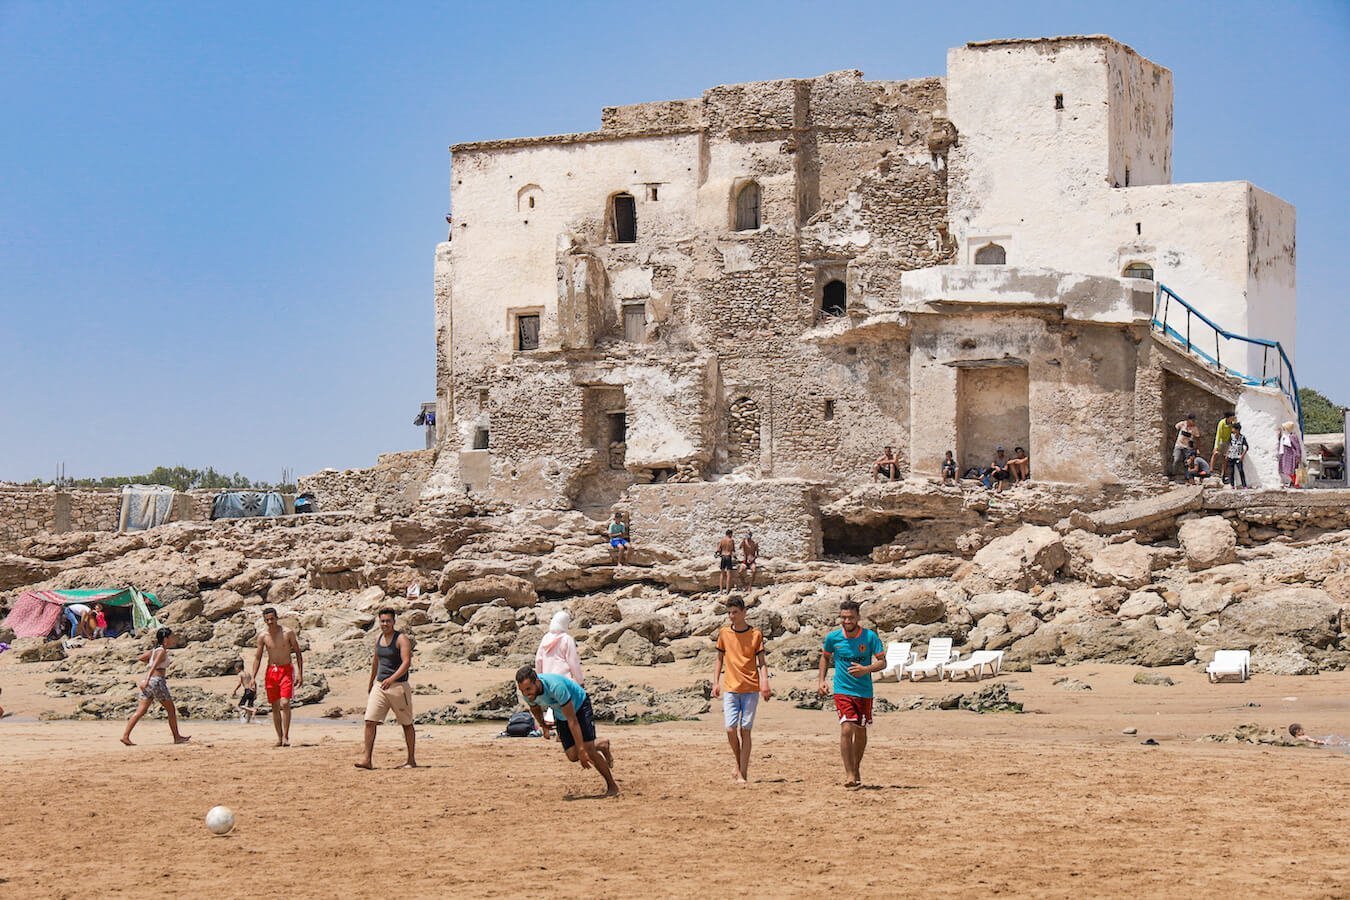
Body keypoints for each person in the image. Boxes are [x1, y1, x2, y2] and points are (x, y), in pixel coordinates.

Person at [515, 665, 619, 797]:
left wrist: (582, 749)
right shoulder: (528, 694)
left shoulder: (556, 687)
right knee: (572, 756)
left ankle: (612, 785)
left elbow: (573, 720)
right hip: (561, 714)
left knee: (588, 750)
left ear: (537, 681)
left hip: (580, 707)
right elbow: (534, 707)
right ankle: (602, 744)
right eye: (522, 690)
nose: (526, 693)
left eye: (528, 689)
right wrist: (542, 724)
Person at [817, 600, 886, 787]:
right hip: (842, 690)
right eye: (843, 617)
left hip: (863, 691)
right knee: (847, 728)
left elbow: (882, 662)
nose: (847, 621)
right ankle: (849, 774)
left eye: (850, 618)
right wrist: (822, 681)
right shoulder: (833, 638)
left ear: (858, 618)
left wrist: (866, 669)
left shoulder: (870, 637)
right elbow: (825, 657)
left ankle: (856, 768)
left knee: (861, 731)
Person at [711, 597, 771, 783]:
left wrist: (765, 683)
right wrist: (716, 682)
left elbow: (761, 663)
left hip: (751, 688)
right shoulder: (724, 633)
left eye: (735, 612)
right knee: (730, 729)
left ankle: (743, 773)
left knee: (745, 730)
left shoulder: (755, 634)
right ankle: (738, 764)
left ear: (744, 612)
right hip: (730, 687)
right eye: (729, 612)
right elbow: (719, 659)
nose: (732, 616)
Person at [356, 608, 417, 769]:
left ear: (393, 622)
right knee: (370, 720)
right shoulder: (378, 638)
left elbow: (406, 663)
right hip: (380, 686)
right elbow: (376, 662)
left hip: (398, 687)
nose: (385, 624)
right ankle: (367, 759)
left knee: (406, 723)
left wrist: (392, 679)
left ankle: (411, 759)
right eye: (382, 621)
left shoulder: (401, 639)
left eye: (388, 621)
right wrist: (371, 683)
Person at [121, 627, 190, 746]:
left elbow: (142, 658)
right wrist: (147, 678)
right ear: (166, 638)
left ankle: (125, 736)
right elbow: (154, 665)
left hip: (150, 682)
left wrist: (148, 676)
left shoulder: (154, 651)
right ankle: (177, 737)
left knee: (140, 711)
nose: (173, 638)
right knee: (171, 710)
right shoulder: (162, 651)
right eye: (171, 636)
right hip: (157, 681)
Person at [249, 607, 304, 747]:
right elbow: (258, 657)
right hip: (271, 671)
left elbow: (298, 653)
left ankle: (286, 736)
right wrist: (253, 678)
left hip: (286, 670)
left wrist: (299, 673)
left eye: (272, 619)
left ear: (277, 618)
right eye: (267, 620)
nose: (270, 622)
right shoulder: (263, 636)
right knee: (274, 706)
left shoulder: (288, 633)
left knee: (285, 703)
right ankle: (279, 738)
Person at [535, 609, 584, 734]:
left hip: (547, 677)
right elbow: (573, 662)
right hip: (563, 678)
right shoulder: (567, 639)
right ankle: (562, 733)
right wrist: (579, 681)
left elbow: (538, 660)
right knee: (566, 706)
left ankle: (551, 729)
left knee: (553, 704)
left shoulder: (545, 638)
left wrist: (539, 677)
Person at [1211, 412, 1236, 481]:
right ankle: (1211, 471)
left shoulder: (1232, 424)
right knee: (1215, 454)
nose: (1233, 418)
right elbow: (1218, 435)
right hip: (1221, 441)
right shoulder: (1222, 423)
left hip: (1227, 442)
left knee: (1226, 458)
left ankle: (1223, 474)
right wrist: (1216, 446)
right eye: (1232, 417)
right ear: (1228, 417)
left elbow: (1233, 432)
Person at [1173, 413, 1198, 477]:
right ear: (1188, 420)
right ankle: (1173, 474)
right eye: (1192, 420)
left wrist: (1195, 447)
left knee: (1187, 462)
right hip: (1178, 445)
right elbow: (1175, 428)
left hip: (1187, 447)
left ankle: (1187, 476)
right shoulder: (1182, 424)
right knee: (1176, 459)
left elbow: (1197, 438)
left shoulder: (1194, 428)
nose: (1193, 422)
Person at [1225, 423, 1249, 489]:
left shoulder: (1242, 437)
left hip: (1238, 456)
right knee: (1231, 471)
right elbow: (1229, 445)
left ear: (1238, 430)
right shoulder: (1231, 436)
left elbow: (1246, 447)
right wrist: (1227, 453)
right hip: (1231, 455)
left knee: (1241, 470)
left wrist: (1242, 456)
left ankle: (1244, 485)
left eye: (1234, 429)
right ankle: (1232, 485)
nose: (1232, 430)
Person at [1278, 421, 1302, 488]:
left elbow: (1297, 447)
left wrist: (1298, 456)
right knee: (1288, 470)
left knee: (1292, 470)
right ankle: (1293, 482)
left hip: (1291, 456)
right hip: (1286, 455)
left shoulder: (1292, 436)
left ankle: (1296, 483)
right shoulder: (1285, 436)